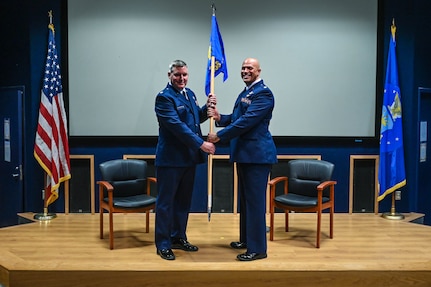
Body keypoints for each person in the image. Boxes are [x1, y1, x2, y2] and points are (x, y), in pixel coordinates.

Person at [207, 57, 277, 261]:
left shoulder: (263, 93)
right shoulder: (247, 92)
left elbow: (247, 122)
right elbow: (238, 119)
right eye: (243, 68)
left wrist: (220, 136)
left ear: (259, 71)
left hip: (257, 156)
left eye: (250, 68)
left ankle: (258, 250)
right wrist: (221, 118)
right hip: (245, 154)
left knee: (255, 203)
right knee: (246, 201)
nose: (245, 71)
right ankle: (247, 240)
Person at [154, 59, 216, 260]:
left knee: (183, 202)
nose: (182, 79)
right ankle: (163, 244)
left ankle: (178, 236)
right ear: (169, 75)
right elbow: (177, 127)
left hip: (188, 159)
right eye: (177, 75)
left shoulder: (190, 94)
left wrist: (206, 110)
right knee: (166, 203)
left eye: (185, 75)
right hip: (171, 160)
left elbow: (193, 119)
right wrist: (201, 144)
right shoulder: (164, 98)